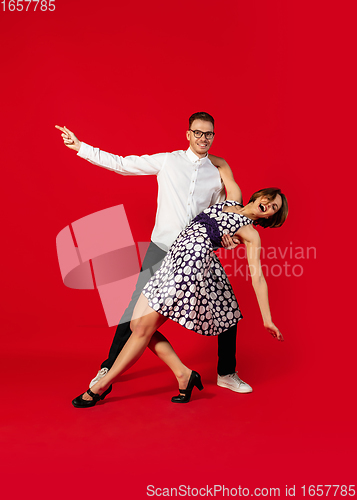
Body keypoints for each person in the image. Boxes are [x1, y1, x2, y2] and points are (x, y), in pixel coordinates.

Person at [55, 112, 253, 394]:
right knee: (132, 311)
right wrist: (81, 147)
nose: (203, 138)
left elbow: (219, 214)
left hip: (197, 253)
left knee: (226, 312)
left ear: (214, 136)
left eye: (208, 134)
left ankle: (226, 373)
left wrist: (225, 236)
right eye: (197, 133)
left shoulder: (217, 172)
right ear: (188, 134)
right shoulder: (168, 161)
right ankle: (109, 366)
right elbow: (123, 165)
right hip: (162, 249)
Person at [71, 161, 288, 407]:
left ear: (270, 217)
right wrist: (202, 149)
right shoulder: (232, 199)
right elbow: (224, 165)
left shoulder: (250, 233)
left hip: (189, 271)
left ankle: (101, 386)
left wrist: (267, 319)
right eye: (269, 200)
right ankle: (184, 374)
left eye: (273, 208)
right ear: (259, 194)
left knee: (142, 330)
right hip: (171, 262)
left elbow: (257, 276)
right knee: (136, 324)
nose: (268, 205)